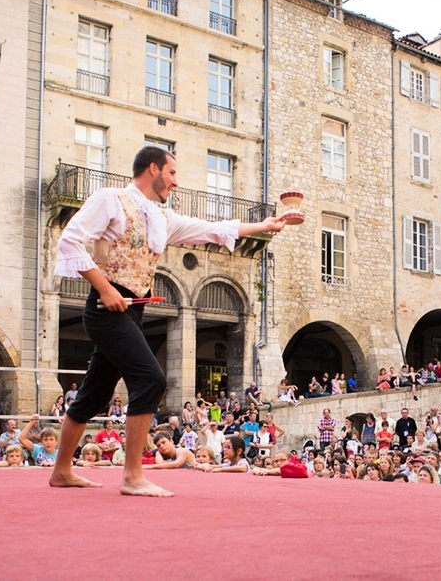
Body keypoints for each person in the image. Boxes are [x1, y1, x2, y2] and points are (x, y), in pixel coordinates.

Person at [49, 146, 294, 497]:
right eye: (173, 173)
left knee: (93, 394)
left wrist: (265, 226)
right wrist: (103, 289)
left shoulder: (162, 218)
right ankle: (132, 476)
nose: (176, 182)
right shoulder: (111, 199)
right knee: (150, 379)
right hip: (106, 309)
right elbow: (70, 241)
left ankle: (61, 472)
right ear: (154, 169)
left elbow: (211, 228)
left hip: (132, 309)